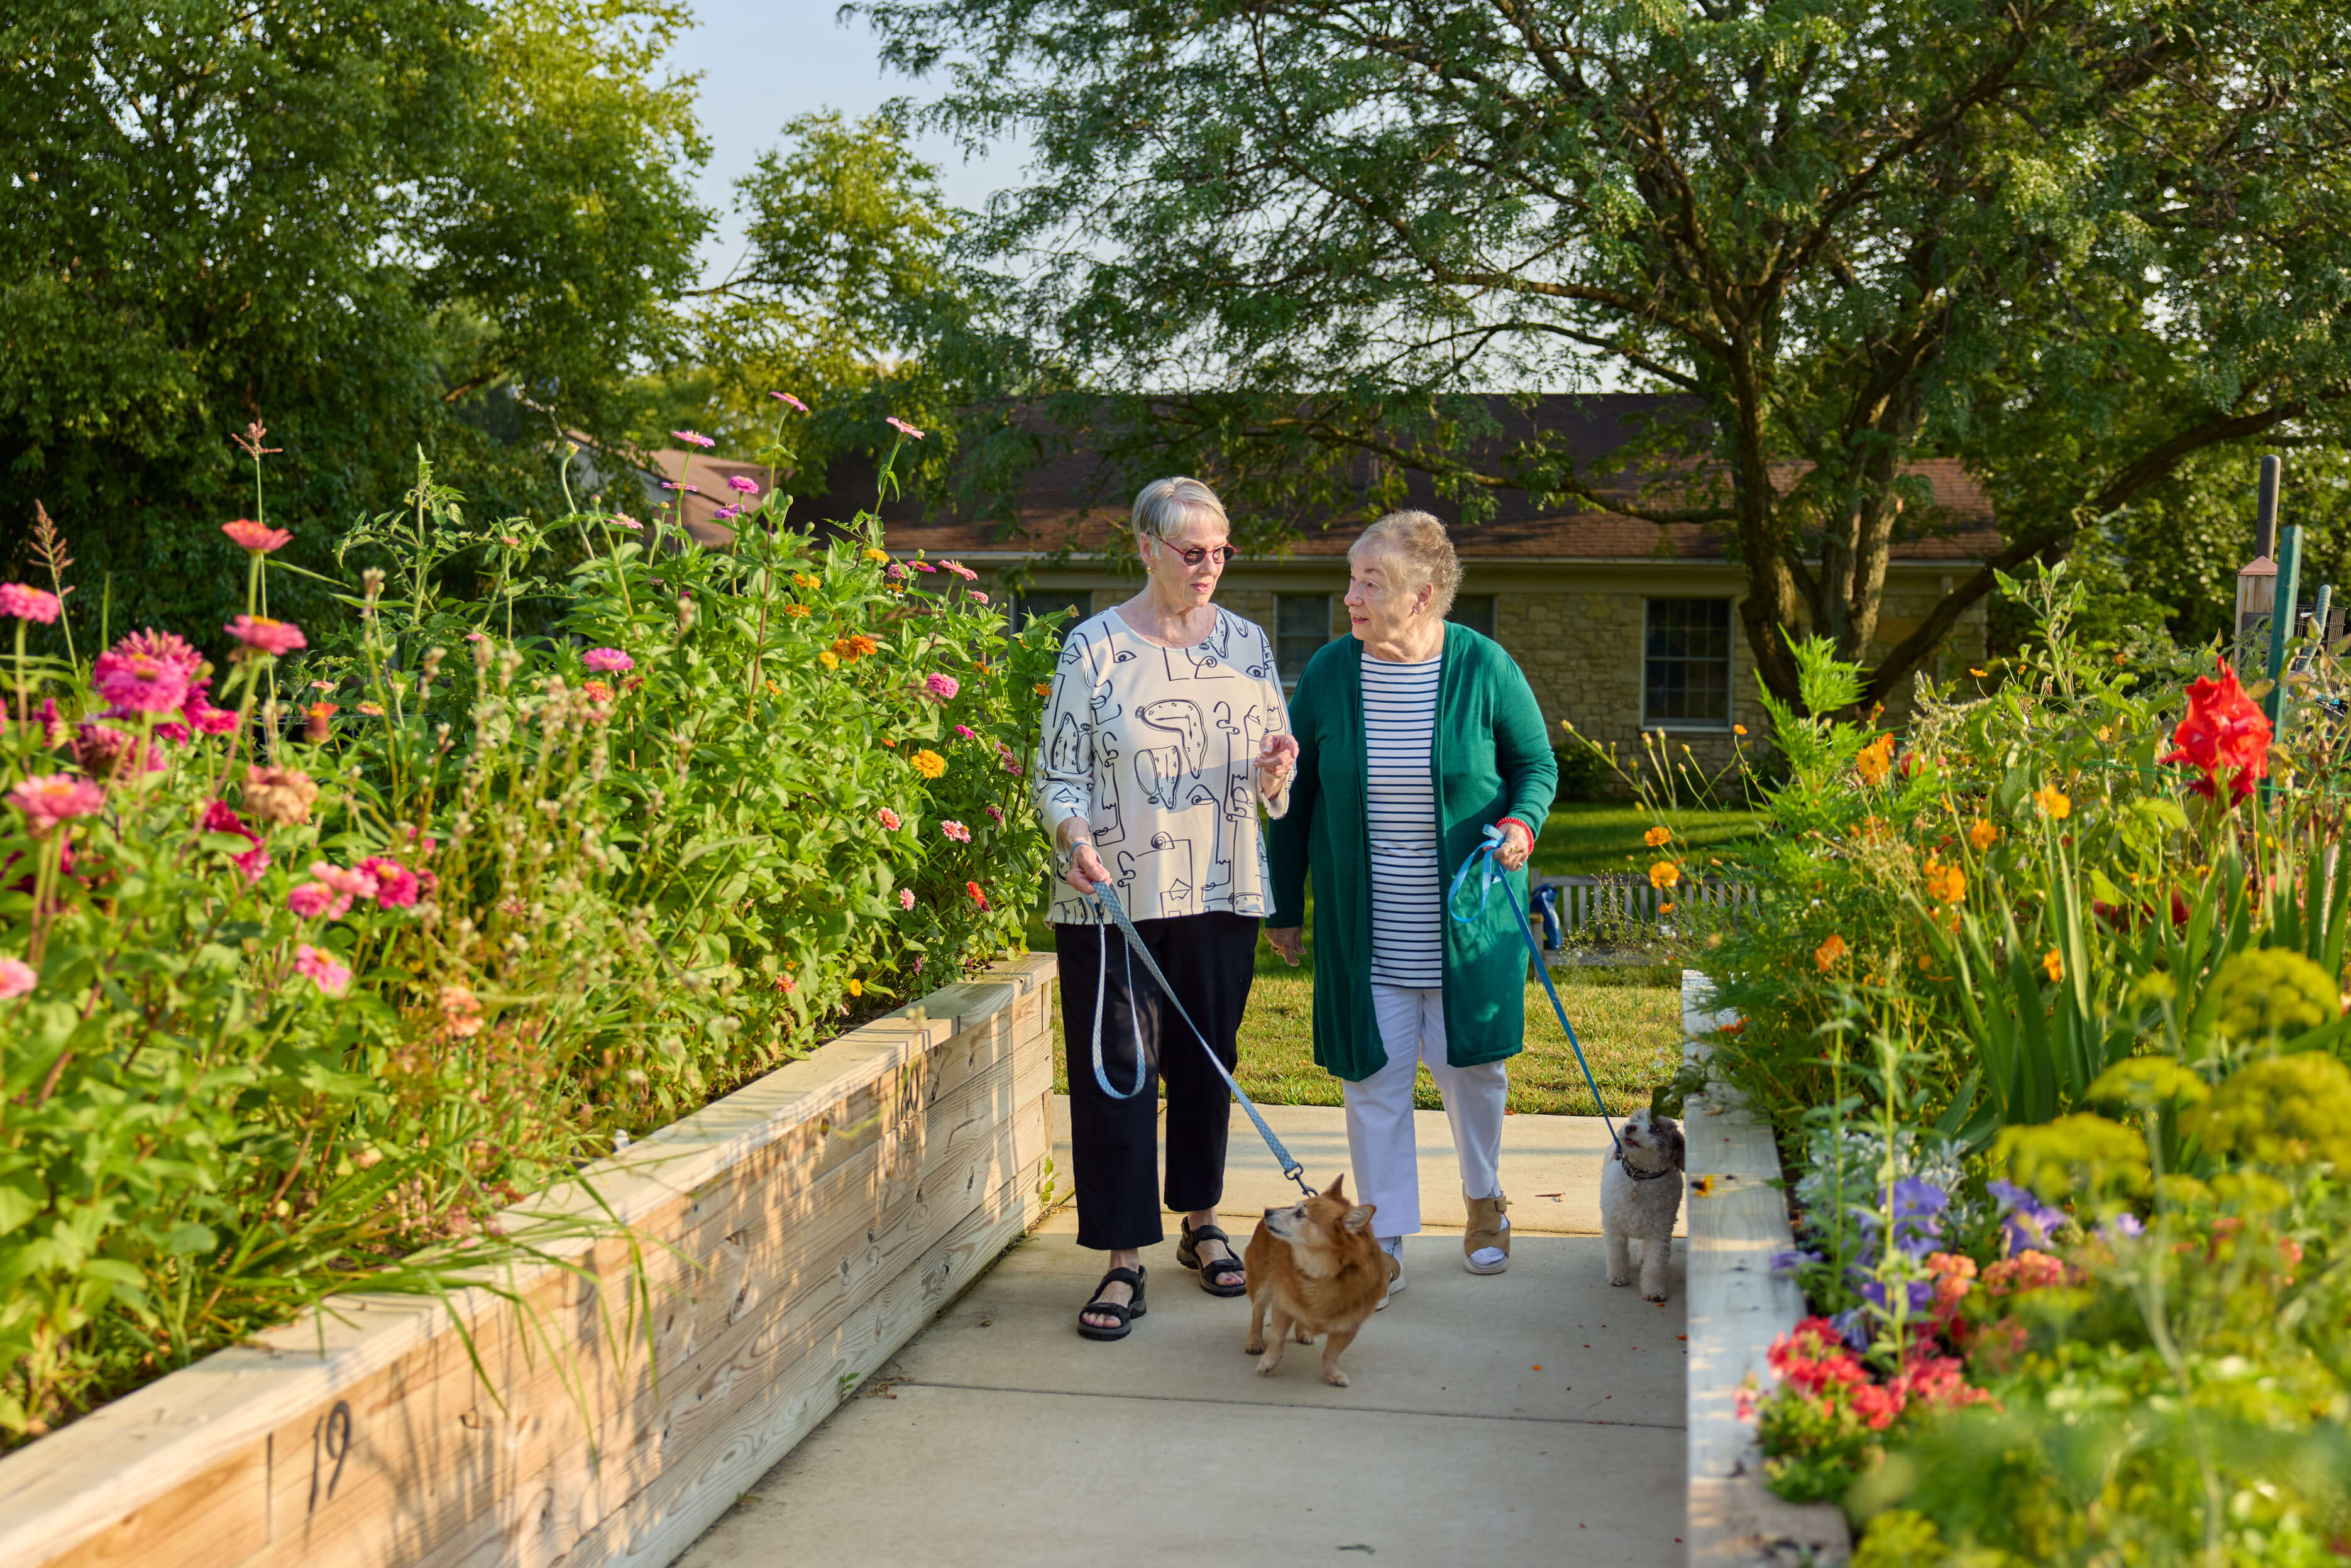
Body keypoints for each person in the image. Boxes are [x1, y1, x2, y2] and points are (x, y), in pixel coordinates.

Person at [1035, 476, 1301, 1340]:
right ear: (1146, 548)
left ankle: (1200, 1218)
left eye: (1222, 550)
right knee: (1118, 1071)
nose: (1210, 566)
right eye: (1193, 551)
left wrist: (1276, 768)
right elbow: (1058, 773)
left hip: (1223, 887)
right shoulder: (1095, 648)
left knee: (1206, 1061)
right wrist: (1074, 836)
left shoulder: (1248, 644)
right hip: (1113, 899)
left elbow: (1273, 773)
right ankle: (1121, 1257)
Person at [1266, 510, 1558, 1295]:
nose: (1350, 595)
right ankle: (1384, 1234)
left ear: (1422, 595)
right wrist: (1283, 906)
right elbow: (1294, 793)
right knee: (1373, 1079)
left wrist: (1520, 824)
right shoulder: (1331, 672)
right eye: (1352, 577)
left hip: (1468, 922)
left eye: (1371, 581)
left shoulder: (1483, 667)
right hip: (1369, 926)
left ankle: (1482, 1199)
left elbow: (1535, 765)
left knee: (1474, 1071)